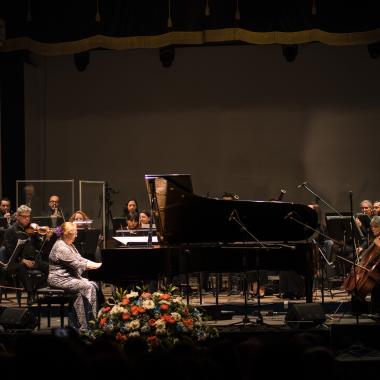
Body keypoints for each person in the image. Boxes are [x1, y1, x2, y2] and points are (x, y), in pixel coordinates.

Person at [48, 222, 102, 330]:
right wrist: (99, 266)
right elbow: (79, 264)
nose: (77, 235)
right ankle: (85, 325)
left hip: (69, 277)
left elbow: (81, 259)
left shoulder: (70, 245)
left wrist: (99, 264)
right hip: (59, 279)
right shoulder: (61, 247)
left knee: (93, 284)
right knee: (87, 286)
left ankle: (90, 320)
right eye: (75, 233)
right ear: (67, 234)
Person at [3, 205, 50, 305]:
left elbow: (39, 247)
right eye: (24, 217)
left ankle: (38, 289)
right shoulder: (11, 230)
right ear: (18, 217)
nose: (27, 219)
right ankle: (30, 294)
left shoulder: (32, 229)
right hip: (16, 262)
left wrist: (43, 237)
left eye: (28, 216)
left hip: (32, 260)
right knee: (22, 267)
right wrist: (23, 260)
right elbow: (9, 251)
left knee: (49, 268)